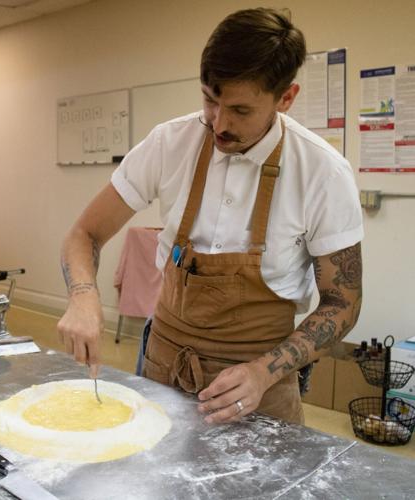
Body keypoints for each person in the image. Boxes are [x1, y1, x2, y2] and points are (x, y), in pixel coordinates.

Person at [57, 8, 363, 425]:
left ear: (285, 99)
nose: (219, 124)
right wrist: (82, 297)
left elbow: (342, 303)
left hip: (259, 391)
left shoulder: (322, 172)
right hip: (162, 370)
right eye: (209, 100)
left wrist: (263, 373)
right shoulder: (170, 142)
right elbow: (85, 232)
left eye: (240, 110)